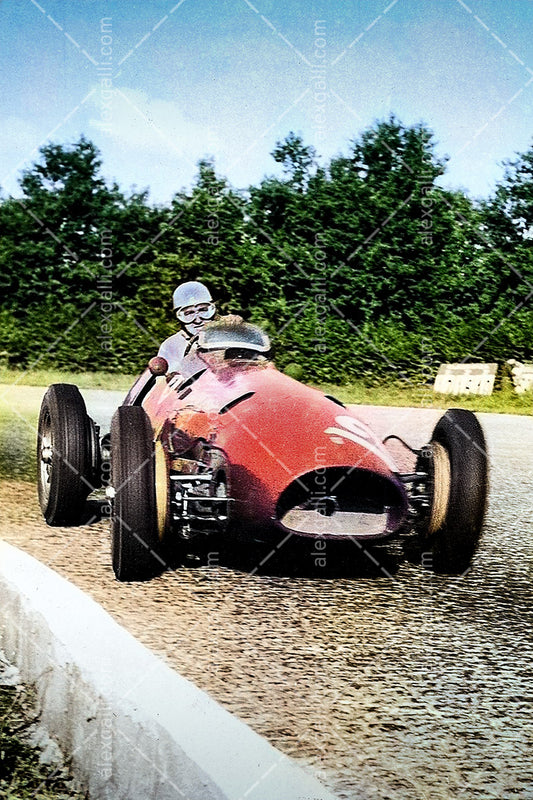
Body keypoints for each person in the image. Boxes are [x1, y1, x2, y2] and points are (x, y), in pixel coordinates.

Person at [157, 281, 241, 372]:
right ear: (179, 317)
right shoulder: (170, 347)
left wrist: (237, 329)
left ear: (213, 310)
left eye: (203, 310)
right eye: (189, 313)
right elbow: (164, 383)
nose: (198, 320)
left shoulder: (227, 333)